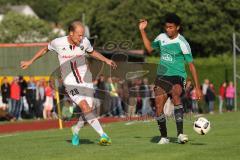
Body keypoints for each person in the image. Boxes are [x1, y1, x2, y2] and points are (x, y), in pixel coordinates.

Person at [20, 21, 116, 146]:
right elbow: (45, 49)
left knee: (88, 110)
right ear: (71, 33)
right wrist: (30, 61)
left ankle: (76, 130)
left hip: (86, 79)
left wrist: (106, 60)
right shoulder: (58, 42)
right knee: (85, 107)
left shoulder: (85, 42)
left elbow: (92, 52)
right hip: (70, 82)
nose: (81, 38)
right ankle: (104, 136)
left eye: (82, 35)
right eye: (79, 35)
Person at [139, 13, 202, 144]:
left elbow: (191, 66)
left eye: (171, 27)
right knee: (158, 105)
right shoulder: (161, 38)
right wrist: (142, 31)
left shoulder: (183, 43)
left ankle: (180, 134)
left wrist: (197, 88)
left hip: (178, 76)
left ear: (177, 27)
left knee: (175, 94)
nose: (168, 30)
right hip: (162, 75)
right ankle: (164, 137)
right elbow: (150, 48)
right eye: (166, 27)